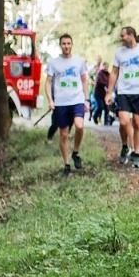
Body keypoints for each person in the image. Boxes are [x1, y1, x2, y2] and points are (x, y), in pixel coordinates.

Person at [108, 26, 139, 167]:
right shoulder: (119, 52)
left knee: (138, 122)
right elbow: (114, 73)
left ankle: (136, 154)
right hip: (123, 91)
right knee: (123, 121)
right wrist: (109, 92)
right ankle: (126, 146)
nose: (121, 38)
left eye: (123, 35)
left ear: (131, 35)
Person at [46, 34, 90, 175]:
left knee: (79, 126)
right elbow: (48, 82)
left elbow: (84, 80)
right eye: (64, 43)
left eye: (68, 43)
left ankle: (75, 152)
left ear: (72, 44)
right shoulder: (53, 63)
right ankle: (66, 165)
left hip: (77, 100)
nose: (66, 46)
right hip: (61, 102)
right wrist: (50, 100)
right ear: (60, 45)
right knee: (64, 135)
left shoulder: (79, 61)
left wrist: (86, 99)